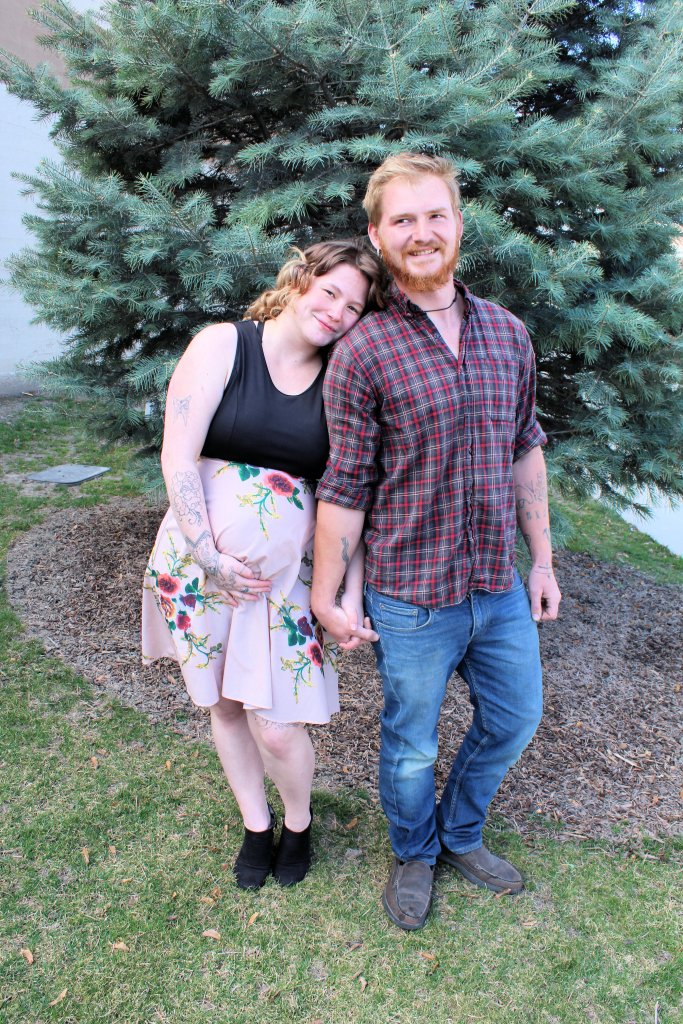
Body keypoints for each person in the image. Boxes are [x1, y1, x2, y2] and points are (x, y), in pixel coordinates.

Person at [311, 153, 562, 930]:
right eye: (402, 220)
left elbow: (524, 448)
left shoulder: (508, 334)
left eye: (434, 215)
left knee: (514, 718)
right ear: (376, 235)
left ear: (458, 223)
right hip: (411, 595)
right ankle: (414, 853)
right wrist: (325, 593)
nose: (420, 233)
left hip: (495, 582)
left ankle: (459, 832)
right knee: (411, 743)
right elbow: (345, 484)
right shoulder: (363, 351)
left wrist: (542, 561)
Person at [142, 239, 381, 890]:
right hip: (198, 567)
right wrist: (208, 555)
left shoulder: (341, 378)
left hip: (284, 584)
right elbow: (177, 456)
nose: (337, 313)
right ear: (299, 280)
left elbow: (350, 495)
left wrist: (349, 593)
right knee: (223, 705)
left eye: (354, 307)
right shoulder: (224, 346)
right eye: (330, 292)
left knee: (276, 725)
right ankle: (255, 824)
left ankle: (298, 822)